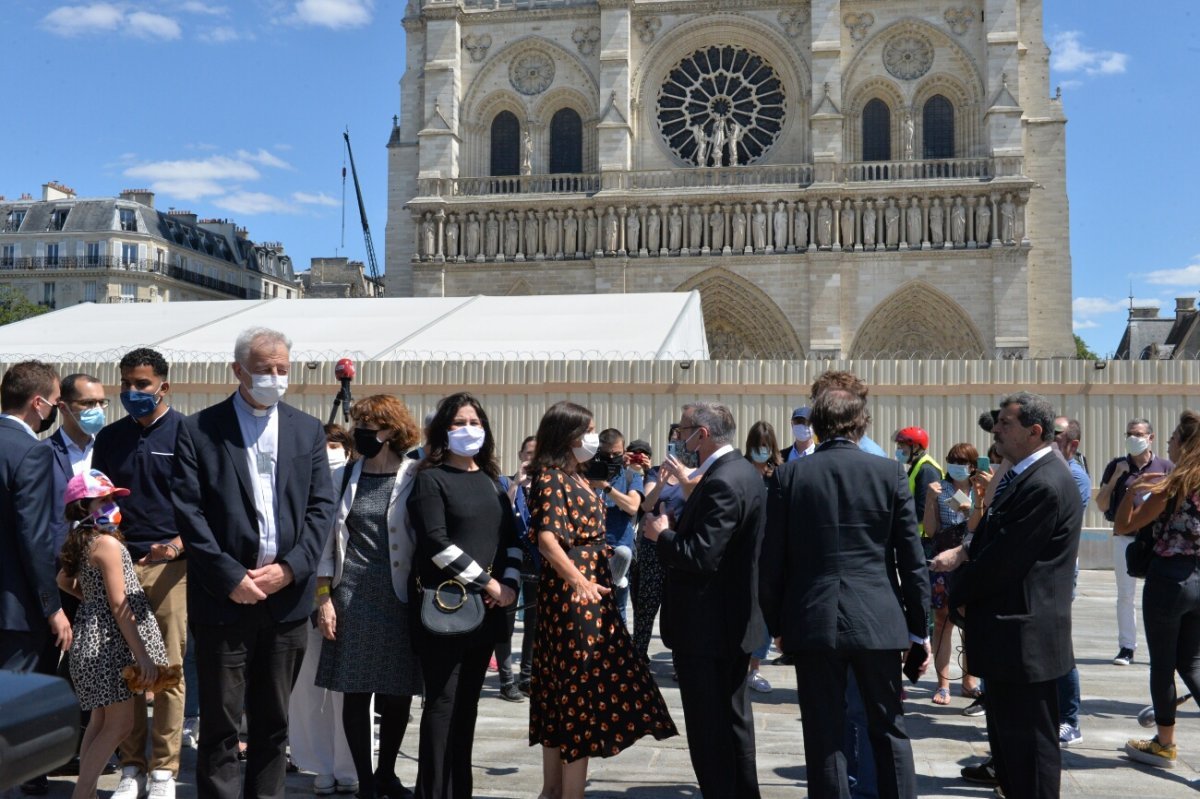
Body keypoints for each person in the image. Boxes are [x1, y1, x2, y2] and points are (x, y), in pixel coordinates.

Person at [172, 327, 337, 799]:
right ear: (238, 370)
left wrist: (291, 568)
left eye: (282, 369)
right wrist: (229, 577)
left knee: (273, 722)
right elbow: (189, 511)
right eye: (265, 369)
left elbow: (321, 509)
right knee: (221, 725)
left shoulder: (306, 430)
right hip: (224, 600)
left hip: (285, 600)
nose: (275, 377)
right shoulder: (199, 429)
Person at [761, 388, 930, 799]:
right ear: (862, 424)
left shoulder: (789, 475)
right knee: (889, 728)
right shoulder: (889, 473)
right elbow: (911, 559)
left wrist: (777, 624)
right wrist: (917, 629)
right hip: (879, 619)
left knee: (824, 734)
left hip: (813, 618)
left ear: (814, 425)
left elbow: (771, 561)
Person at [526, 400, 676, 799]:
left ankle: (555, 790)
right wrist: (579, 582)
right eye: (588, 430)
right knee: (573, 689)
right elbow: (546, 540)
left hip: (592, 589)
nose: (594, 437)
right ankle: (562, 792)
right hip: (574, 598)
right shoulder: (551, 477)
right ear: (569, 435)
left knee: (572, 689)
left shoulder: (579, 476)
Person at [945, 393, 1083, 799]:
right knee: (1010, 750)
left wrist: (960, 591)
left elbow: (1004, 558)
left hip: (1026, 637)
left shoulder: (1043, 483)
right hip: (1010, 635)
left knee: (1031, 752)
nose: (997, 430)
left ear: (1033, 431)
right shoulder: (1024, 474)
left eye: (1006, 424)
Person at [641, 401, 764, 798]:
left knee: (709, 728)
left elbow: (701, 555)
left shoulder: (724, 480)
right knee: (733, 722)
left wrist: (662, 534)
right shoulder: (741, 472)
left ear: (703, 434)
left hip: (708, 628)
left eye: (683, 430)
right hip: (727, 623)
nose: (679, 438)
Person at [405, 392, 521, 799]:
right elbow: (436, 543)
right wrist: (488, 584)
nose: (467, 429)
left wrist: (509, 584)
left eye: (474, 421)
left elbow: (511, 539)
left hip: (488, 612)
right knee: (442, 705)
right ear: (442, 431)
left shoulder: (493, 481)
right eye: (458, 423)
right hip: (446, 609)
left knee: (468, 708)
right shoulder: (429, 478)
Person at [316, 396, 424, 798]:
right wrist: (323, 597)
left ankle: (388, 773)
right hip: (351, 596)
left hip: (399, 596)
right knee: (356, 691)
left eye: (371, 425)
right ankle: (365, 780)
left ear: (393, 431)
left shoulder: (416, 475)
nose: (361, 432)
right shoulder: (344, 475)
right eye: (358, 423)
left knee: (397, 691)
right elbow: (326, 542)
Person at [92, 348, 187, 799]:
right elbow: (96, 503)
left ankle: (165, 769)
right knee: (126, 668)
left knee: (167, 669)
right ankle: (131, 766)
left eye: (142, 384)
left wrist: (175, 546)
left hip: (172, 567)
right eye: (127, 383)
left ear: (164, 386)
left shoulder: (188, 433)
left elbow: (204, 506)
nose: (133, 392)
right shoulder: (109, 438)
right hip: (120, 565)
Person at [56, 470, 169, 799]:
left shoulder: (83, 542)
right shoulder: (106, 544)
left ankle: (86, 793)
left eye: (112, 499)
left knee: (99, 721)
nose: (111, 505)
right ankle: (83, 793)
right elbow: (121, 605)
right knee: (120, 725)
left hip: (89, 642)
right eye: (103, 499)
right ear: (83, 506)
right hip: (108, 646)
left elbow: (63, 581)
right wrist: (143, 656)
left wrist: (91, 602)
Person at [27, 373, 107, 787]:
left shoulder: (111, 448)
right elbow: (39, 522)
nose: (96, 411)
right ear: (63, 407)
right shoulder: (42, 454)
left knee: (94, 669)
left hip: (101, 579)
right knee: (47, 668)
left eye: (101, 403)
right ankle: (36, 765)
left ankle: (88, 751)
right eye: (86, 404)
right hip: (57, 578)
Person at [1118, 411, 1200, 768]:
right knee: (1193, 663)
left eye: (1171, 438)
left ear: (1184, 445)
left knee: (1163, 666)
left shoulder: (1174, 485)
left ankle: (1164, 743)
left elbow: (1126, 526)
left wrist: (1131, 491)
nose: (1168, 444)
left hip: (1168, 580)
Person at [287, 422, 358, 796]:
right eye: (325, 444)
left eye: (338, 444)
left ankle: (349, 765)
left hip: (347, 596)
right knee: (309, 685)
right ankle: (320, 763)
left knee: (349, 687)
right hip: (303, 595)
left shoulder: (353, 484)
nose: (331, 451)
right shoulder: (302, 486)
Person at [0, 360, 70, 673]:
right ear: (37, 403)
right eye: (56, 402)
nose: (57, 409)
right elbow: (35, 536)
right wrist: (52, 606)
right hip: (16, 612)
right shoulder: (32, 451)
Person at [1096, 417, 1173, 666]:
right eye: (1129, 433)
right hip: (1125, 539)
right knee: (1125, 595)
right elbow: (1101, 504)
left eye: (1138, 434)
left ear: (1150, 438)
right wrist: (1116, 478)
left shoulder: (1165, 467)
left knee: (1160, 596)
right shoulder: (1117, 466)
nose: (1133, 438)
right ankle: (1127, 647)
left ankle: (1161, 649)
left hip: (1157, 540)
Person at [922, 443, 981, 706]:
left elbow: (978, 525)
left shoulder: (981, 488)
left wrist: (974, 507)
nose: (956, 465)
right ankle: (943, 684)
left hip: (970, 560)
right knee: (943, 618)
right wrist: (929, 500)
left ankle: (970, 679)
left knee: (970, 622)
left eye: (961, 461)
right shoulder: (941, 488)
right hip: (944, 559)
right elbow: (932, 530)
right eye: (952, 460)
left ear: (972, 465)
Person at [1053, 416, 1092, 747]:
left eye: (1057, 436)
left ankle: (1070, 718)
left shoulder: (1074, 477)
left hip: (1060, 573)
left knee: (1059, 644)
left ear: (1072, 444)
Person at [634, 429, 687, 662]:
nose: (676, 444)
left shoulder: (695, 473)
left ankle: (679, 657)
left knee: (678, 604)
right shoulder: (655, 473)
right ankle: (638, 654)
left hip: (679, 544)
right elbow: (646, 505)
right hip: (652, 546)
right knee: (647, 601)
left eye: (681, 440)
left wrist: (682, 476)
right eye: (672, 441)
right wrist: (662, 480)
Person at [743, 420, 783, 694]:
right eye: (758, 447)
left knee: (764, 612)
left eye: (766, 447)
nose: (762, 452)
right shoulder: (741, 471)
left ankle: (754, 668)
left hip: (769, 553)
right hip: (743, 550)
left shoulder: (778, 475)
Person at [502, 434, 538, 698]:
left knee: (534, 623)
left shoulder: (546, 486)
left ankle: (527, 676)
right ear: (520, 455)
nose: (531, 459)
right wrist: (517, 483)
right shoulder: (506, 482)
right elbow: (502, 512)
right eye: (528, 454)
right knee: (506, 619)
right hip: (510, 557)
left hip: (536, 558)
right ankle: (506, 680)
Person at [596, 428, 644, 625]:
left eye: (616, 454)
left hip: (620, 554)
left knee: (618, 609)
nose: (611, 458)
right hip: (594, 551)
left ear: (624, 452)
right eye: (607, 454)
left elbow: (633, 506)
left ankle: (619, 652)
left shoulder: (631, 476)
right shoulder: (588, 474)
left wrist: (606, 487)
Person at [894, 426, 942, 541]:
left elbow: (922, 509)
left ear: (915, 447)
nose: (899, 450)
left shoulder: (926, 469)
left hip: (924, 537)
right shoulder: (916, 467)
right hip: (916, 534)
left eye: (902, 446)